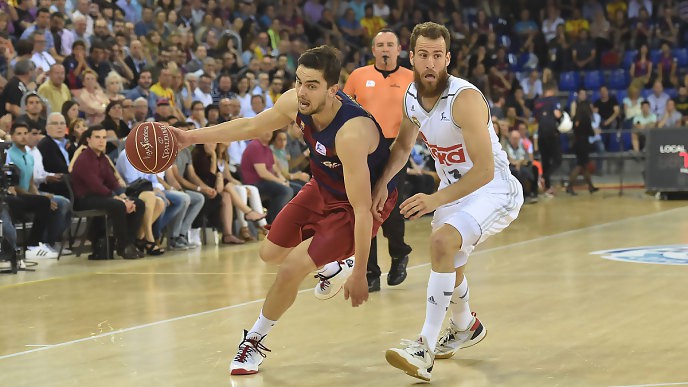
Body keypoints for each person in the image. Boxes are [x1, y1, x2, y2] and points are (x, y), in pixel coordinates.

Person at [171, 45, 398, 375]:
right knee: (270, 253)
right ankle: (332, 267)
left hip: (355, 206)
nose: (302, 92)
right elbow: (251, 125)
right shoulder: (296, 103)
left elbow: (363, 210)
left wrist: (361, 271)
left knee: (292, 268)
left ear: (333, 90)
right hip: (322, 186)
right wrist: (187, 137)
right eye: (298, 82)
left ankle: (254, 341)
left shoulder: (351, 133)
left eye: (312, 85)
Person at [365, 22, 522, 382]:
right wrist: (381, 185)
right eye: (423, 55)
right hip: (457, 191)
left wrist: (434, 199)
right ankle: (465, 324)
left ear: (448, 58)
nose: (430, 63)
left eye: (438, 56)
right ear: (412, 57)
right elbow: (403, 146)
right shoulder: (411, 97)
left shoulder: (464, 99)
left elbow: (483, 171)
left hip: (493, 189)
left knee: (441, 242)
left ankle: (424, 346)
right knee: (448, 260)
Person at [338, 28, 414, 292]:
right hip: (364, 148)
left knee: (388, 209)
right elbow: (342, 106)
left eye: (390, 44)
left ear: (398, 49)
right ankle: (370, 271)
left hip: (396, 148)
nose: (385, 49)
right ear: (373, 50)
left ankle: (399, 253)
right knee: (362, 210)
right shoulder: (358, 76)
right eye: (380, 44)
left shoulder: (410, 78)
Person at [566, 101, 598, 195]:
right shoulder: (586, 119)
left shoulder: (576, 118)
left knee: (584, 166)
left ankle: (590, 186)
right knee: (580, 166)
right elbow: (591, 132)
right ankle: (569, 186)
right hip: (584, 144)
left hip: (577, 143)